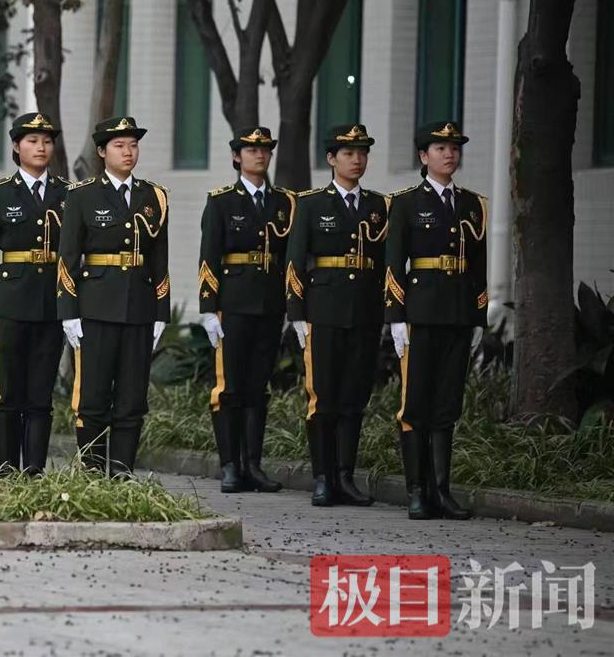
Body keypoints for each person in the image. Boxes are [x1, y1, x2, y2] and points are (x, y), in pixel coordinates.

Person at [385, 120, 487, 520]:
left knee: (447, 404)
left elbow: (478, 263)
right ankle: (417, 491)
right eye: (441, 147)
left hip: (458, 313)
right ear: (423, 156)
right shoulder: (406, 203)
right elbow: (394, 265)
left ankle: (441, 491)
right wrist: (396, 317)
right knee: (416, 404)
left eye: (454, 147)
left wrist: (479, 316)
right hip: (420, 314)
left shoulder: (472, 205)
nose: (450, 154)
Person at [57, 116, 170, 478]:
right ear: (102, 152)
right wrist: (68, 311)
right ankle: (92, 472)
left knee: (131, 398)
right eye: (120, 146)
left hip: (138, 307)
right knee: (93, 397)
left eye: (133, 145)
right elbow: (68, 259)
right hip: (96, 307)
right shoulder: (82, 195)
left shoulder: (153, 196)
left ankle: (122, 473)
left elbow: (160, 259)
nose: (128, 152)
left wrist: (160, 311)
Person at [284, 124, 387, 507]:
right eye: (348, 153)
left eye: (362, 152)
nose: (356, 159)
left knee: (354, 397)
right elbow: (295, 261)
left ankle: (346, 476)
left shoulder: (379, 206)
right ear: (331, 159)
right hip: (322, 310)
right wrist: (297, 313)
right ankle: (323, 477)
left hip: (365, 310)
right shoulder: (310, 204)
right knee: (323, 398)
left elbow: (386, 264)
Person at [198, 126, 296, 493]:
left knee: (259, 387)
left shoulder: (285, 203)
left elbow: (290, 259)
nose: (260, 155)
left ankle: (253, 465)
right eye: (251, 150)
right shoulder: (222, 201)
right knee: (229, 387)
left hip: (270, 304)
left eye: (265, 150)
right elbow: (209, 256)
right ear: (237, 156)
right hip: (232, 304)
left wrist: (292, 305)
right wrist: (209, 306)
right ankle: (229, 466)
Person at [0, 112, 67, 474]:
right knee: (8, 394)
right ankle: (7, 469)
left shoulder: (66, 193)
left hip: (50, 302)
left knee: (41, 395)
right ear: (16, 146)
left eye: (46, 141)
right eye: (32, 140)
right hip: (9, 302)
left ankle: (36, 469)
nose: (40, 147)